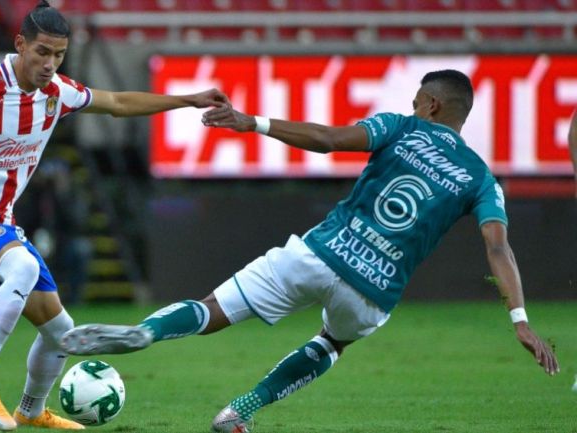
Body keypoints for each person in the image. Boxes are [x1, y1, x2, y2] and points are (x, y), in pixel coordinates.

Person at [60, 70, 560, 433]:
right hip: (373, 292)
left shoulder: (401, 127)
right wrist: (519, 318)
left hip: (319, 253)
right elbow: (499, 248)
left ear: (429, 104)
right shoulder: (480, 178)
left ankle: (148, 331)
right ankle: (240, 412)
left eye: (415, 101)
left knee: (214, 309)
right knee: (332, 343)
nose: (412, 108)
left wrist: (249, 121)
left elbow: (325, 139)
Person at [0, 1, 227, 431]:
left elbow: (119, 102)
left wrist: (189, 99)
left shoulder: (57, 93)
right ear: (20, 44)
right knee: (23, 265)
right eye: (42, 52)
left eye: (59, 55)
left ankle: (31, 411)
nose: (50, 64)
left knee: (63, 332)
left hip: (2, 226)